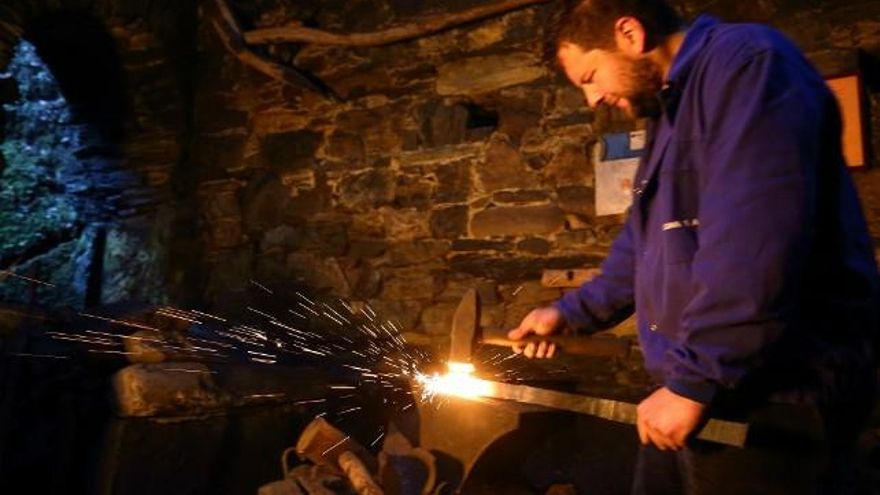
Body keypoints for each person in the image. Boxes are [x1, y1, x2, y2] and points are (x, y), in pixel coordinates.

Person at [508, 0, 880, 492]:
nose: (592, 99)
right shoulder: (671, 111)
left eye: (591, 77)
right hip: (701, 385)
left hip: (771, 395)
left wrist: (697, 381)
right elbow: (644, 246)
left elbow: (756, 239)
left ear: (629, 33)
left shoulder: (748, 67)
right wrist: (569, 313)